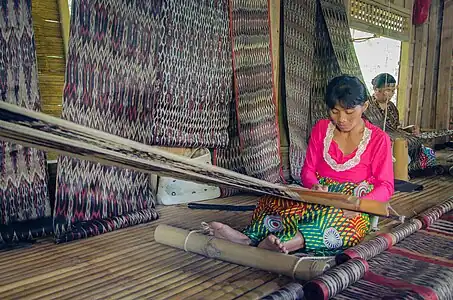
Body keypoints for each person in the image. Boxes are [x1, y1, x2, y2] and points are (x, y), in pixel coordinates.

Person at [207, 75, 395, 256]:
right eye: (335, 111)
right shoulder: (322, 129)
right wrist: (314, 187)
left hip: (353, 202)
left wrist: (358, 205)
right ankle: (248, 238)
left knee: (336, 221)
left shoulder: (379, 139)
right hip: (319, 195)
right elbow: (308, 171)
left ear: (365, 106)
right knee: (273, 200)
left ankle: (288, 243)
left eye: (349, 112)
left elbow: (385, 186)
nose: (342, 119)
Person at [371, 73, 436, 170]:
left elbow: (395, 130)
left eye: (393, 91)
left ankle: (407, 168)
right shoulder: (367, 108)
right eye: (388, 90)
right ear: (376, 90)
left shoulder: (391, 107)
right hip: (379, 146)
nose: (391, 94)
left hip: (398, 144)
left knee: (429, 154)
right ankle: (404, 170)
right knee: (399, 158)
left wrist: (409, 129)